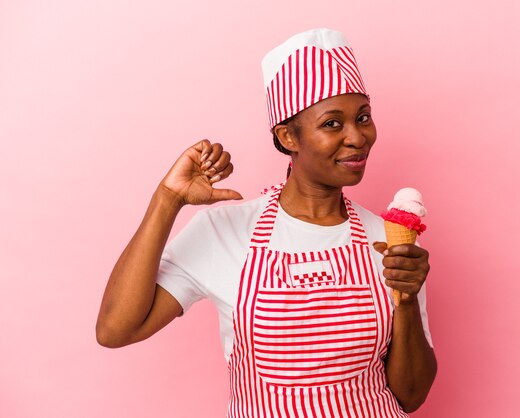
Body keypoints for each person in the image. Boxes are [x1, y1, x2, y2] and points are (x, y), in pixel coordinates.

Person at [96, 28, 437, 417]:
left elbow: (411, 396)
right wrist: (167, 199)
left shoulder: (389, 241)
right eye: (332, 124)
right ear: (288, 136)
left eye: (363, 118)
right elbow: (115, 330)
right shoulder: (224, 231)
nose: (358, 137)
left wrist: (406, 298)